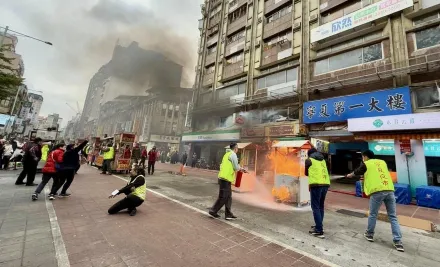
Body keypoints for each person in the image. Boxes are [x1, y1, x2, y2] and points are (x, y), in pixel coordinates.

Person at [347, 150, 404, 252]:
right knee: (393, 216)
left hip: (377, 191)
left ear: (365, 156)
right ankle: (398, 241)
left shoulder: (367, 163)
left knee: (373, 214)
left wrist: (350, 175)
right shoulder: (382, 162)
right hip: (389, 190)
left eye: (363, 157)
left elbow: (358, 171)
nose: (363, 159)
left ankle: (369, 234)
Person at [209, 143, 241, 220]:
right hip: (225, 179)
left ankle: (228, 214)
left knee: (228, 197)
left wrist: (241, 168)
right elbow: (236, 167)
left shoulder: (227, 154)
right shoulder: (233, 155)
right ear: (235, 148)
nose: (238, 149)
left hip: (225, 178)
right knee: (223, 197)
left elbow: (231, 166)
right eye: (237, 148)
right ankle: (213, 210)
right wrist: (240, 168)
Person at [304, 148, 330, 238]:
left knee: (315, 207)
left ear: (309, 154)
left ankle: (319, 230)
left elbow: (306, 173)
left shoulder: (309, 160)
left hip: (316, 185)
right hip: (325, 184)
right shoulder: (323, 160)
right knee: (320, 206)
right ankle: (319, 225)